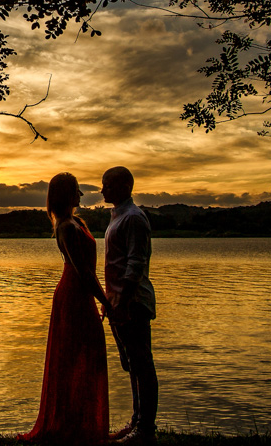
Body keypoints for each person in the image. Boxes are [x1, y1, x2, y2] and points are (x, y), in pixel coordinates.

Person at [21, 172, 112, 444]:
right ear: (65, 194)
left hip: (81, 294)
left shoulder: (77, 221)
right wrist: (106, 301)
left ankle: (86, 422)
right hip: (73, 295)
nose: (81, 196)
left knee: (88, 355)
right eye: (76, 190)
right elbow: (83, 271)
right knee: (74, 356)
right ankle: (69, 424)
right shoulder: (65, 227)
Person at [102, 165, 158, 445]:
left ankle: (145, 429)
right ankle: (137, 422)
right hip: (119, 301)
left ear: (124, 186)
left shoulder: (134, 218)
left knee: (142, 363)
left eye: (108, 185)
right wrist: (110, 301)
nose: (102, 190)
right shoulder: (118, 216)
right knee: (132, 364)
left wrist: (122, 300)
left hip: (132, 301)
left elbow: (135, 264)